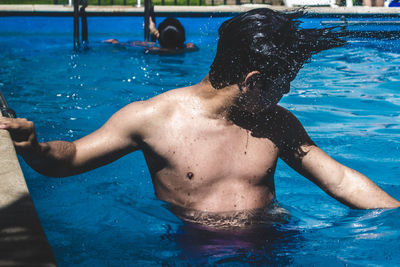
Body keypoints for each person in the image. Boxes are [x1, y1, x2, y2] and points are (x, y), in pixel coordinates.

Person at [1, 8, 399, 230]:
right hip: (196, 252)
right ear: (252, 81)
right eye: (284, 84)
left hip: (277, 246)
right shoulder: (152, 118)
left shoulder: (275, 123)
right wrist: (33, 147)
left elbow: (341, 179)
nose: (288, 94)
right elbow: (68, 160)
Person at [104, 17, 198, 55]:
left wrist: (116, 43)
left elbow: (130, 45)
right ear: (183, 37)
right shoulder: (189, 47)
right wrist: (155, 32)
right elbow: (172, 46)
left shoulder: (153, 49)